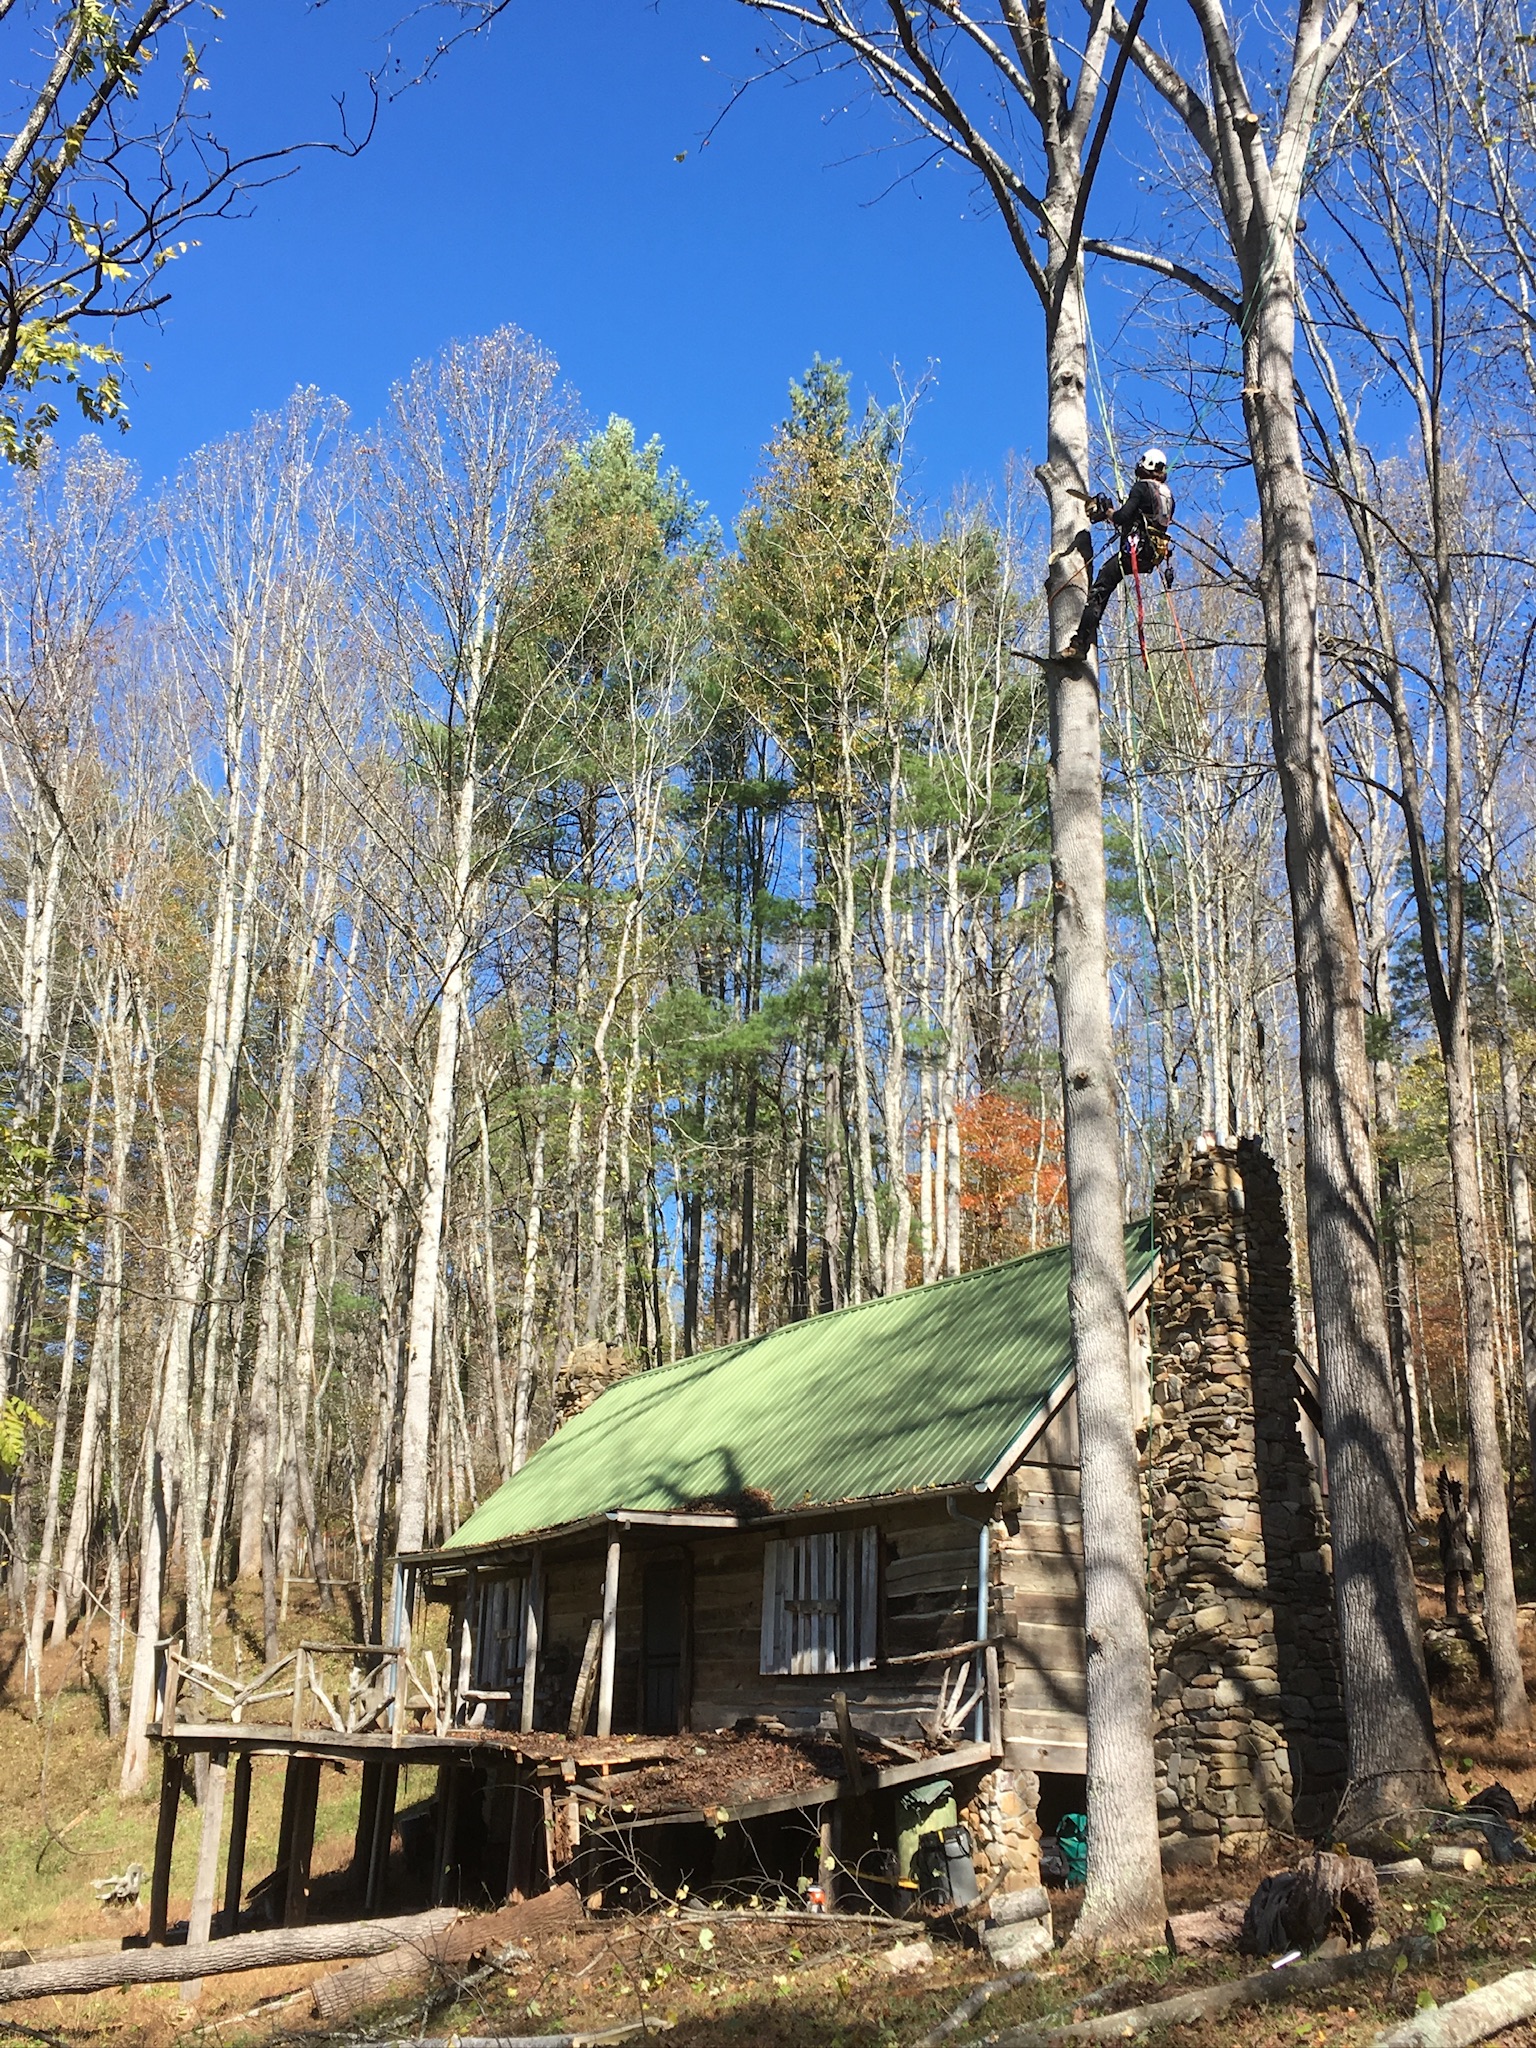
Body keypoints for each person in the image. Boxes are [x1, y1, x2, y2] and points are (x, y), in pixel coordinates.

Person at [1063, 447, 1175, 661]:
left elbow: (1123, 516)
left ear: (1146, 466)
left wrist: (1107, 512)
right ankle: (1083, 639)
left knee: (1101, 586)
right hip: (1152, 555)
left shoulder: (1142, 488)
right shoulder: (1168, 497)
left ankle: (1079, 642)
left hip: (1135, 551)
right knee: (1109, 578)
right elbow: (1145, 521)